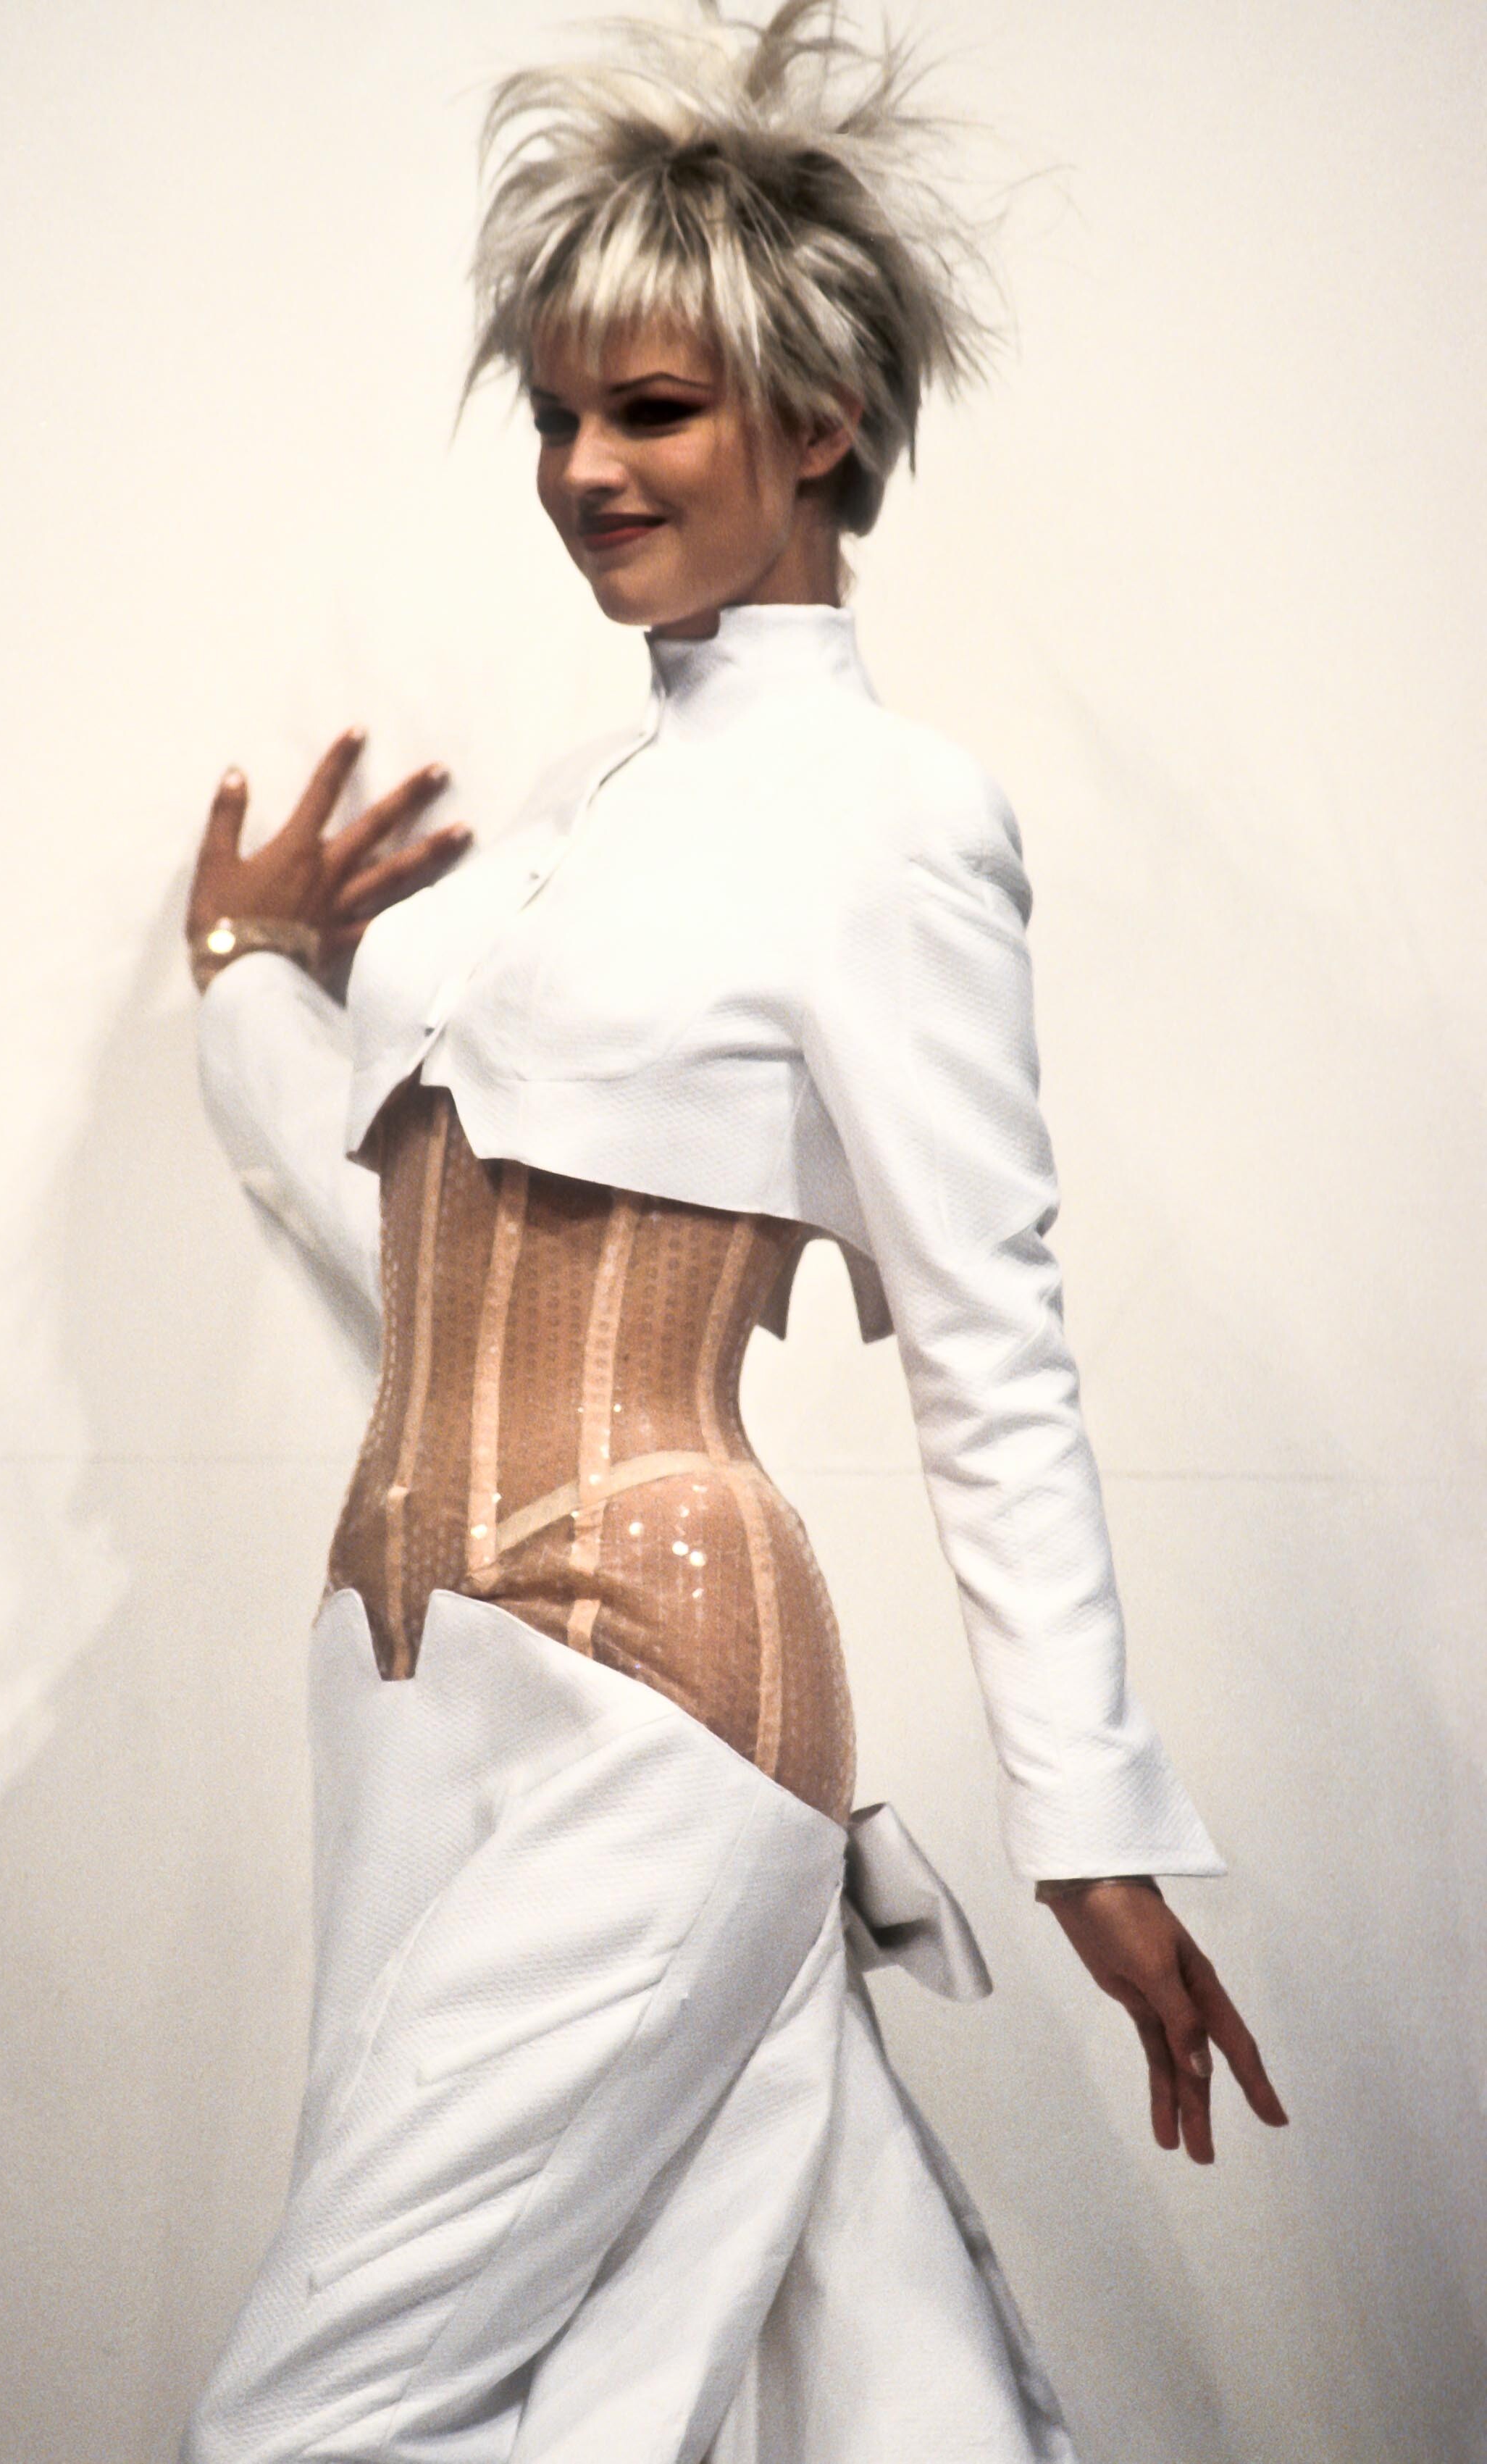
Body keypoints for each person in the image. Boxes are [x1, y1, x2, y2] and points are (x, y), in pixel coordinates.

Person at [178, 5, 1286, 2457]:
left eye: (652, 409)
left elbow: (990, 1339)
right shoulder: (571, 824)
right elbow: (406, 1250)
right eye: (555, 412)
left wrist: (1087, 1824)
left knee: (321, 2411)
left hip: (652, 1693)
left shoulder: (890, 821)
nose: (583, 467)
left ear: (820, 422)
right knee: (821, 2350)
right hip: (398, 1688)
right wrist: (244, 975)